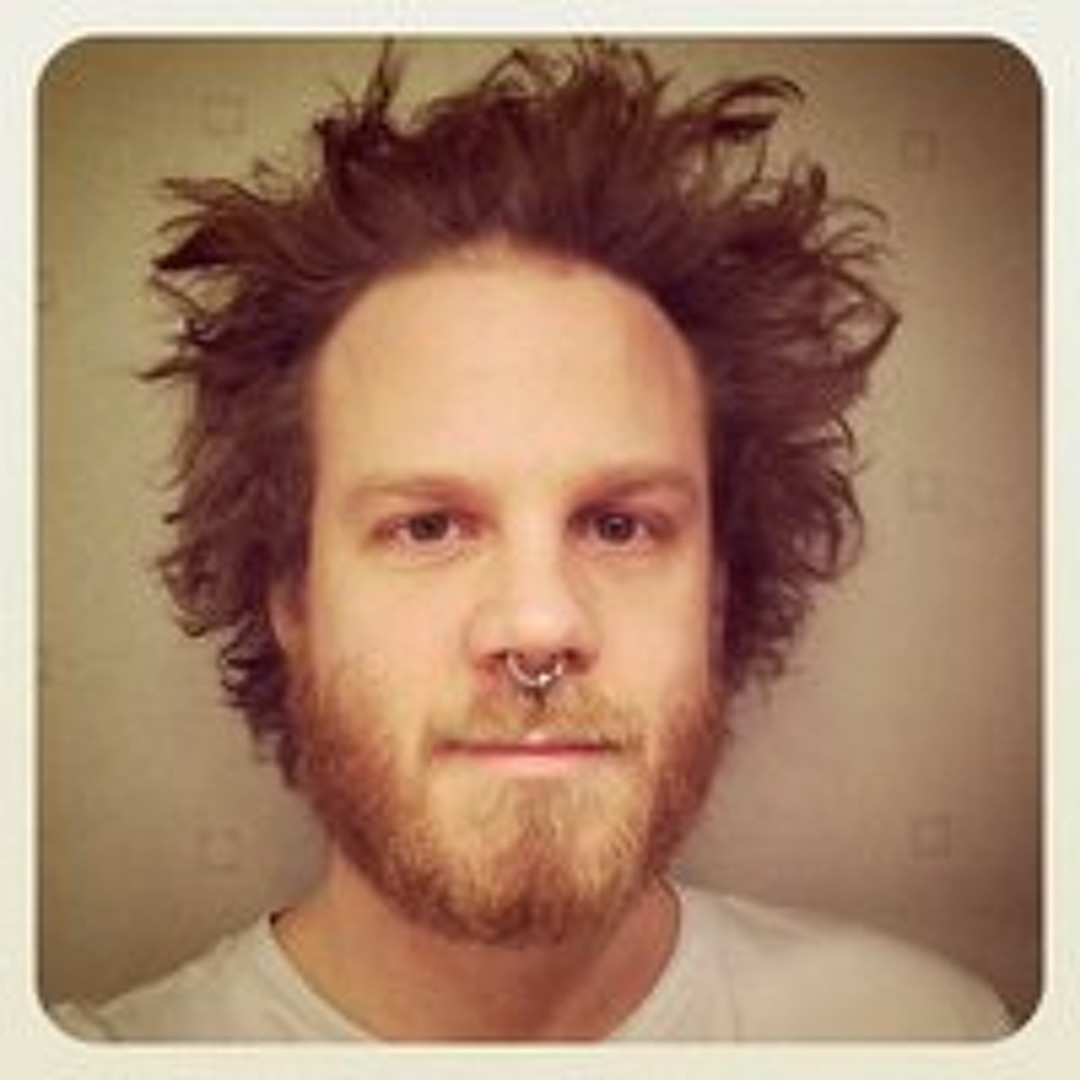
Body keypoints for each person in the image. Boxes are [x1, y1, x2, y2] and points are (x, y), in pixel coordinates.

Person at [50, 41, 1012, 1041]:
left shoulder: (926, 1034)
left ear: (720, 594)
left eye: (619, 526)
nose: (540, 625)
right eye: (427, 526)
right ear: (291, 596)